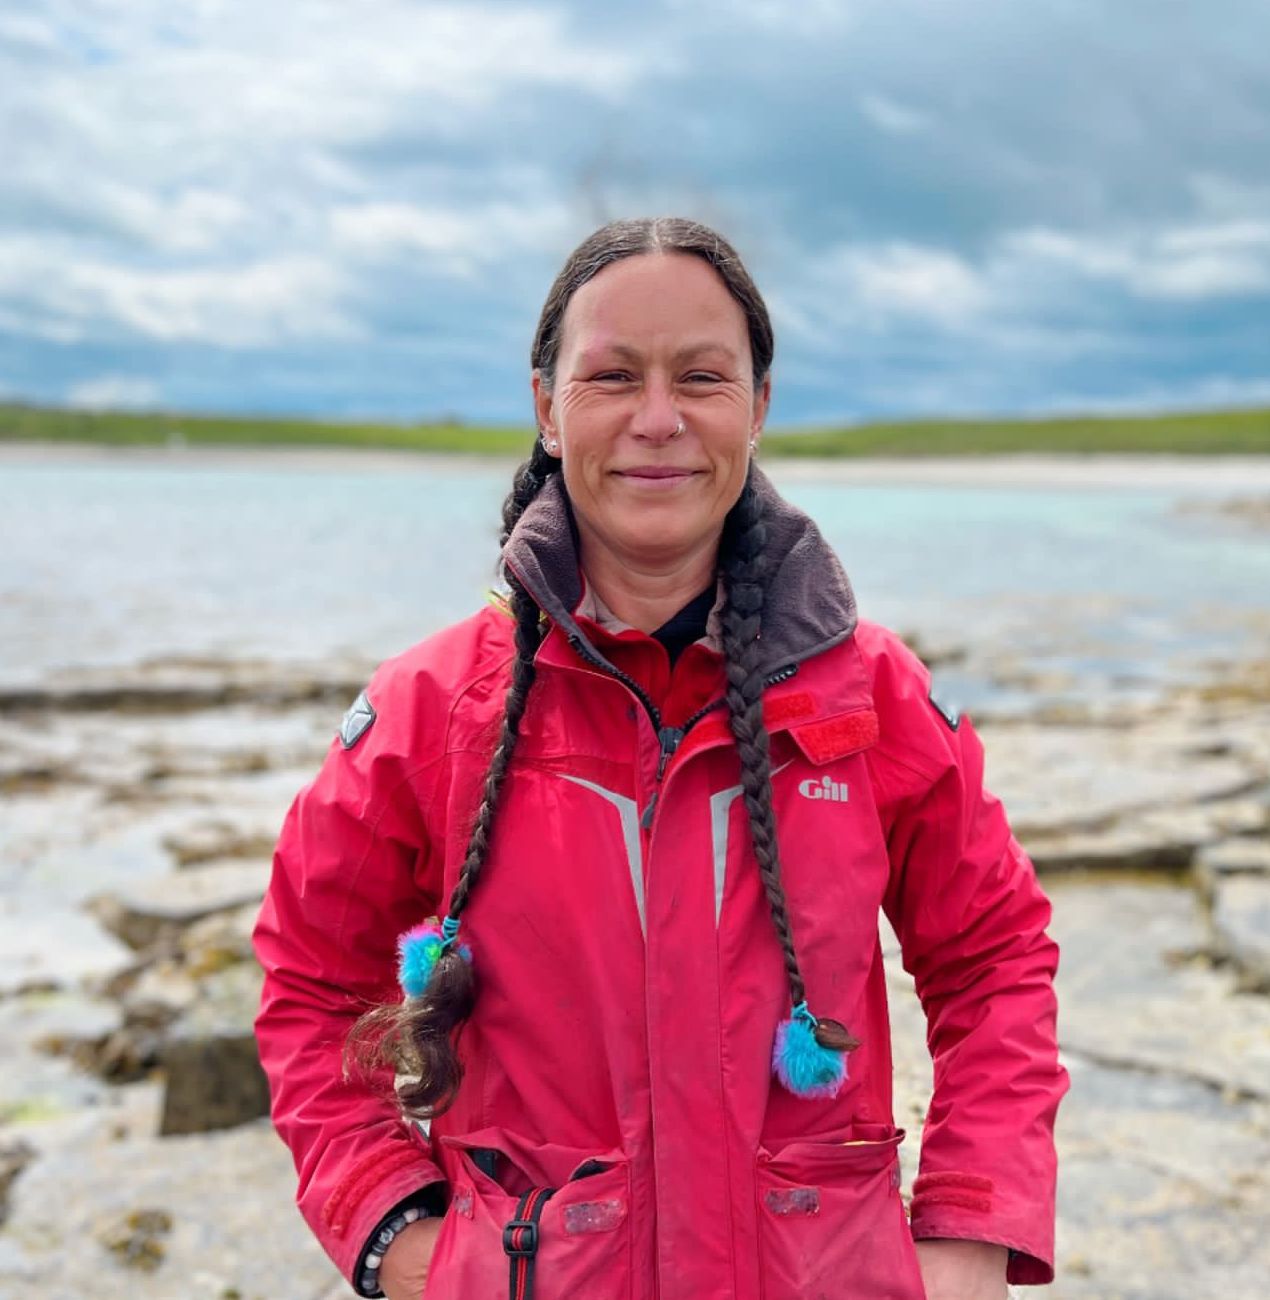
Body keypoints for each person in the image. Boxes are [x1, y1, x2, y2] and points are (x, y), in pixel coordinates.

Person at [253, 217, 1070, 1300]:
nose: (657, 419)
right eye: (611, 376)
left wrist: (969, 1230)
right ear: (546, 406)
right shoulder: (432, 708)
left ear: (757, 406)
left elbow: (995, 956)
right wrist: (394, 1231)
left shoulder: (868, 695)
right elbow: (311, 980)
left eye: (700, 375)